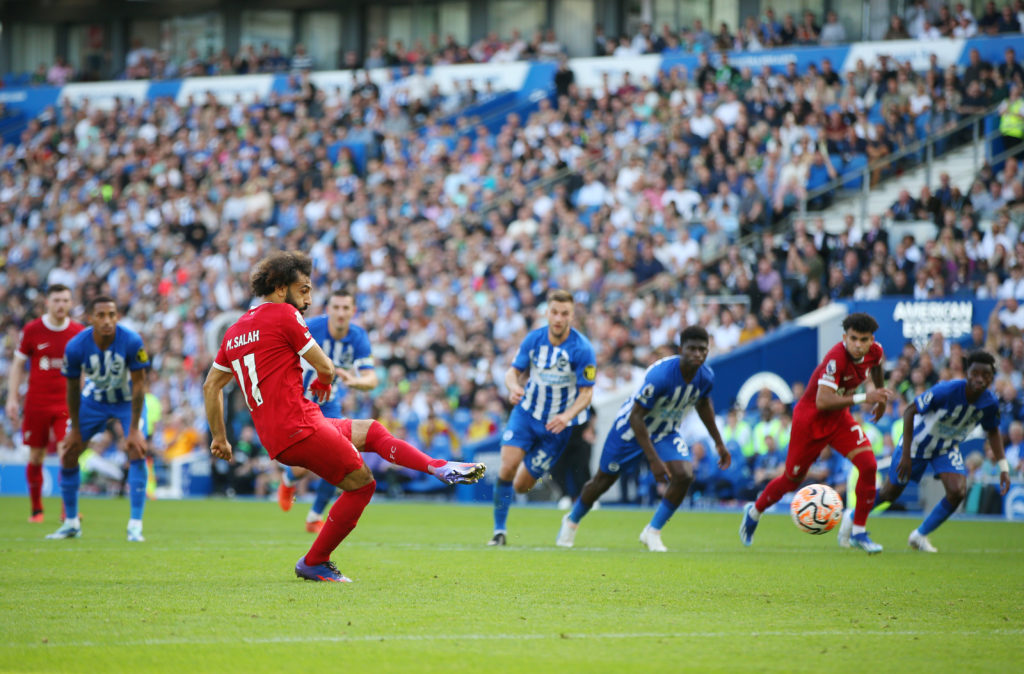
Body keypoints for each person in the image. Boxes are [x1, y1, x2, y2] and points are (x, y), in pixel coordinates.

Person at [202, 251, 484, 582]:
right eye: (303, 290)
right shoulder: (284, 316)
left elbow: (211, 386)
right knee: (362, 485)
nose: (308, 299)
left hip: (283, 430)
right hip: (299, 426)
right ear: (280, 288)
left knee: (373, 431)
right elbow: (326, 366)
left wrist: (220, 437)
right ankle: (314, 561)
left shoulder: (234, 331)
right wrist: (323, 380)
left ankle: (439, 466)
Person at [556, 326, 731, 551]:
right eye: (692, 349)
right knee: (602, 482)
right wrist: (654, 461)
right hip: (630, 430)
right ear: (681, 349)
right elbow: (636, 417)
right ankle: (572, 520)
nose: (698, 354)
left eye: (702, 350)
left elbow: (704, 404)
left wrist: (718, 442)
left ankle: (653, 531)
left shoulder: (706, 376)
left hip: (665, 431)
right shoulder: (661, 375)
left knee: (684, 475)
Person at [739, 313, 894, 554]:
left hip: (839, 418)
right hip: (810, 422)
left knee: (868, 465)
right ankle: (754, 511)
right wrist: (867, 397)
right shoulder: (836, 358)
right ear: (844, 337)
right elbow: (822, 401)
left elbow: (877, 364)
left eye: (863, 340)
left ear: (871, 339)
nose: (858, 345)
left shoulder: (875, 350)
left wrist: (881, 396)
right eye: (853, 338)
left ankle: (858, 531)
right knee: (791, 480)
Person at [872, 351, 1010, 552]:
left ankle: (919, 535)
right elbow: (910, 410)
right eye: (975, 373)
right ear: (967, 373)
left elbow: (993, 430)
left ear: (992, 376)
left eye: (985, 374)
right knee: (890, 493)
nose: (980, 378)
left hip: (945, 447)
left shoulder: (989, 402)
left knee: (957, 491)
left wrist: (1003, 467)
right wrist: (905, 453)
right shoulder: (947, 390)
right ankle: (853, 516)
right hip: (917, 443)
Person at [489, 289, 597, 546]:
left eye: (565, 314)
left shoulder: (582, 349)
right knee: (506, 468)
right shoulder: (534, 339)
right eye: (555, 312)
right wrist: (514, 387)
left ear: (572, 316)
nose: (559, 318)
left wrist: (567, 415)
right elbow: (511, 373)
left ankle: (530, 471)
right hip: (526, 415)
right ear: (547, 313)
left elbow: (587, 394)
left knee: (521, 486)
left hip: (556, 427)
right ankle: (499, 531)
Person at [46, 296, 151, 541]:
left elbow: (139, 386)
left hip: (126, 401)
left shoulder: (132, 341)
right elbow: (72, 389)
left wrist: (133, 429)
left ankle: (135, 525)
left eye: (112, 315)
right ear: (91, 318)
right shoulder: (76, 346)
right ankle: (71, 523)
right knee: (70, 450)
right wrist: (73, 427)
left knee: (137, 448)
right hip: (93, 401)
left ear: (117, 317)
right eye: (101, 315)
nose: (107, 321)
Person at [276, 288, 379, 533]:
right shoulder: (309, 327)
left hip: (329, 404)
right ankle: (289, 479)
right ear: (328, 310)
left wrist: (354, 382)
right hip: (298, 402)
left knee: (342, 457)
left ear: (353, 311)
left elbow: (372, 379)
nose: (341, 313)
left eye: (346, 308)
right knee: (303, 466)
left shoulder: (358, 336)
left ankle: (314, 517)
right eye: (336, 307)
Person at [5, 285, 85, 523]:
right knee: (36, 456)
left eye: (65, 300)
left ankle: (67, 511)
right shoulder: (32, 330)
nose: (61, 305)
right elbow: (18, 365)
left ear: (70, 303)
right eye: (57, 300)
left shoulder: (78, 331)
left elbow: (84, 369)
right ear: (48, 302)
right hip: (37, 403)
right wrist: (11, 398)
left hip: (65, 404)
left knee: (67, 454)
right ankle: (36, 510)